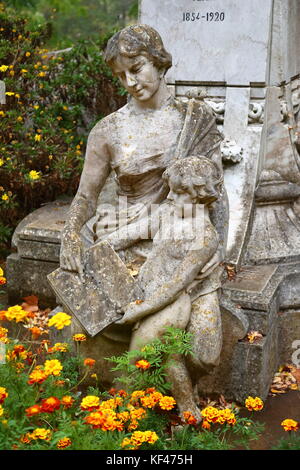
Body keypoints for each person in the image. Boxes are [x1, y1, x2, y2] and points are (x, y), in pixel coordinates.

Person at [60, 24, 228, 420]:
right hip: (130, 237)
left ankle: (145, 389)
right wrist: (70, 236)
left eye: (136, 68)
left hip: (183, 243)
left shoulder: (195, 119)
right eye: (120, 76)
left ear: (159, 61)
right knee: (130, 331)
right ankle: (132, 403)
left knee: (204, 354)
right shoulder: (109, 130)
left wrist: (215, 248)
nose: (130, 82)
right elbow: (85, 196)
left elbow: (215, 197)